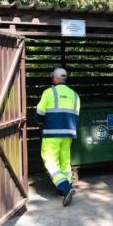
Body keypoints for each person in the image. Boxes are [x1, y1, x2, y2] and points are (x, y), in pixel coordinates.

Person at [35, 68, 80, 207]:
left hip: (52, 134)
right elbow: (76, 116)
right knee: (65, 162)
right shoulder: (75, 95)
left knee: (50, 162)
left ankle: (66, 188)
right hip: (69, 134)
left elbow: (40, 114)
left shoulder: (49, 92)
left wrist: (40, 123)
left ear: (54, 78)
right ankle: (64, 190)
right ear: (65, 78)